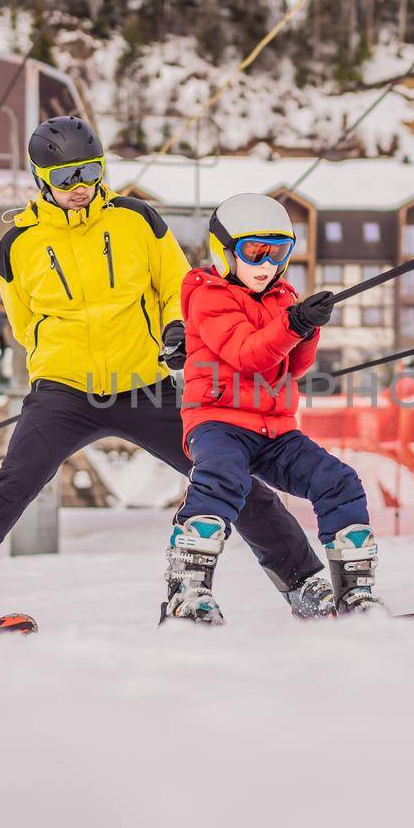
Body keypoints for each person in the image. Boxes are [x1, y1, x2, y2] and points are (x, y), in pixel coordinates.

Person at [0, 119, 335, 634]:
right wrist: (57, 365)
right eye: (65, 175)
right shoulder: (17, 247)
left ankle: (305, 584)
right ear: (40, 178)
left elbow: (176, 285)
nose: (79, 185)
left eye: (90, 171)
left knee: (227, 472)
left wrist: (174, 330)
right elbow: (25, 324)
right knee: (12, 484)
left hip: (144, 383)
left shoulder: (137, 220)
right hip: (65, 392)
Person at [162, 193, 384, 625]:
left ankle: (354, 595)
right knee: (221, 481)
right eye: (254, 252)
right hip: (219, 423)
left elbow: (295, 366)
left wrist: (308, 326)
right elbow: (248, 355)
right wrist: (295, 324)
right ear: (224, 251)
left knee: (338, 481)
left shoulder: (283, 296)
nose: (267, 265)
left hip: (274, 431)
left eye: (278, 252)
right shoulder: (209, 297)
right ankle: (188, 591)